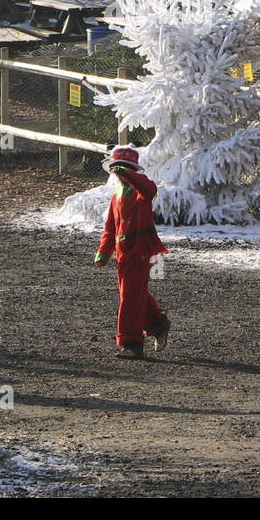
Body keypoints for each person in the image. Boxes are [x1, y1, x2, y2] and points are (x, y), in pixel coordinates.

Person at [94, 145, 170, 359]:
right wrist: (104, 251)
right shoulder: (117, 196)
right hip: (122, 253)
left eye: (124, 170)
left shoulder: (141, 191)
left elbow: (150, 189)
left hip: (141, 251)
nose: (119, 174)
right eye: (117, 170)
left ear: (132, 171)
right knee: (134, 293)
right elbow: (111, 226)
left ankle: (131, 343)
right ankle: (157, 325)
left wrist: (126, 173)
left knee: (129, 296)